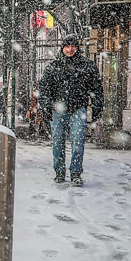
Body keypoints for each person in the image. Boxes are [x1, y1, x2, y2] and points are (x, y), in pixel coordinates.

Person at [37, 33, 103, 186]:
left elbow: (96, 87)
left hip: (78, 108)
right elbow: (45, 88)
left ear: (77, 47)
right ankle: (60, 172)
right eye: (67, 46)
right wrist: (46, 106)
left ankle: (75, 172)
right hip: (58, 109)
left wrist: (97, 105)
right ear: (63, 48)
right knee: (58, 142)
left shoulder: (86, 65)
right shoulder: (54, 66)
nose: (70, 49)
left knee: (78, 142)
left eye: (73, 46)